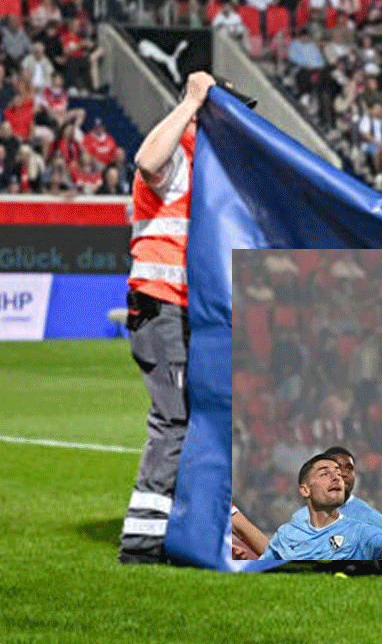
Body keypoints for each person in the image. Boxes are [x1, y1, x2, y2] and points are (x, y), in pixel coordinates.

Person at [119, 72, 254, 563]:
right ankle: (142, 541)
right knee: (174, 419)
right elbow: (146, 159)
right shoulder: (180, 150)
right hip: (163, 303)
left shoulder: (211, 166)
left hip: (188, 309)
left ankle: (185, 527)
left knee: (199, 416)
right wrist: (193, 101)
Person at [260, 453, 382, 560]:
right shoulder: (287, 534)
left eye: (339, 474)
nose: (337, 478)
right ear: (305, 490)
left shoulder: (360, 532)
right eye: (325, 474)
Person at [288, 445, 382, 535]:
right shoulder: (301, 519)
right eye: (337, 468)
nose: (344, 473)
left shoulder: (373, 520)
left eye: (349, 468)